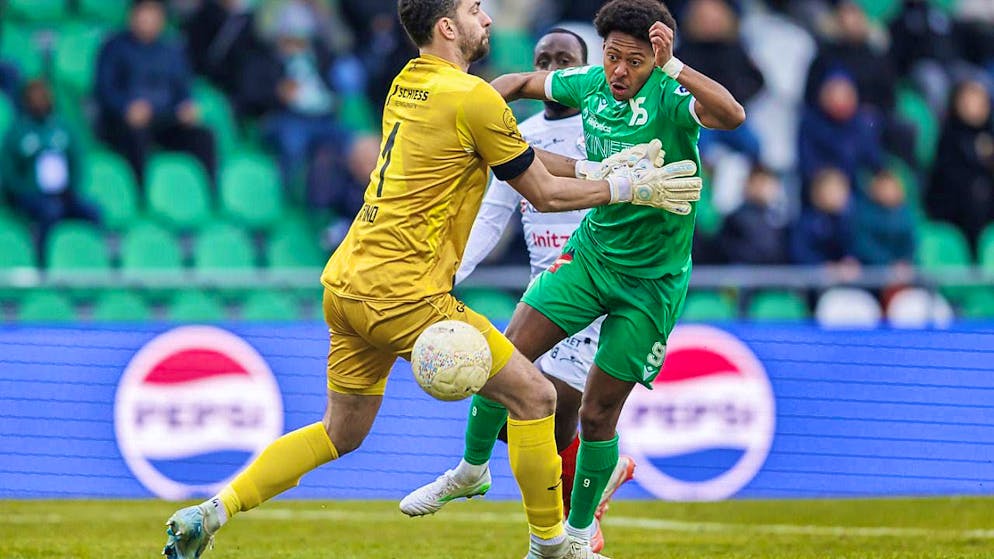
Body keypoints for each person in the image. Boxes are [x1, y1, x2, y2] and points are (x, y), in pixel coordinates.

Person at [160, 1, 699, 558]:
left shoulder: (407, 83)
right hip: (407, 294)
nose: (487, 19)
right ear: (447, 27)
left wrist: (593, 168)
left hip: (347, 283)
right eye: (473, 9)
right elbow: (543, 192)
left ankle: (211, 512)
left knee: (339, 433)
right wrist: (630, 188)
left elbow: (514, 155)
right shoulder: (475, 98)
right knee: (535, 396)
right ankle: (553, 546)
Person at [400, 0, 745, 553]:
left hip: (651, 283)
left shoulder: (671, 97)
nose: (620, 72)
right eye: (612, 57)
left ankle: (576, 536)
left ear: (655, 59)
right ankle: (470, 470)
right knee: (506, 356)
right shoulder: (587, 83)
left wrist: (674, 67)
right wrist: (463, 104)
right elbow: (514, 81)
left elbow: (731, 115)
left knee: (596, 413)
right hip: (590, 258)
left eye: (635, 61)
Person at [402, 28, 636, 550]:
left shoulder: (604, 131)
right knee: (516, 403)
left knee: (548, 415)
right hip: (544, 286)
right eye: (544, 60)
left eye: (566, 61)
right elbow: (491, 217)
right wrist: (448, 274)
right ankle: (589, 491)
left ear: (584, 69)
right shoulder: (519, 132)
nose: (553, 70)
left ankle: (570, 524)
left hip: (596, 287)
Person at [95, 0, 217, 188]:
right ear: (132, 16)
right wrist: (125, 108)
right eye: (144, 13)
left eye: (154, 14)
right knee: (136, 135)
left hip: (165, 120)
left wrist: (187, 105)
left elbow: (183, 88)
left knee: (203, 136)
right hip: (127, 123)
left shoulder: (171, 50)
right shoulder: (113, 47)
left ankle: (210, 192)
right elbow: (104, 89)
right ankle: (142, 193)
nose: (148, 20)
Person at [1, 80, 100, 255]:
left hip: (63, 193)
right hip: (32, 195)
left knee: (92, 211)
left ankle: (97, 257)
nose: (40, 101)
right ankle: (43, 258)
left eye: (43, 96)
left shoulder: (63, 127)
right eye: (34, 97)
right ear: (25, 100)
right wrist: (26, 190)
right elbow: (9, 173)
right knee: (51, 211)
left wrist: (70, 188)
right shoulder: (17, 132)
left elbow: (76, 162)